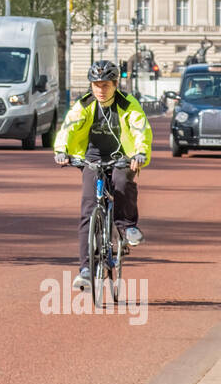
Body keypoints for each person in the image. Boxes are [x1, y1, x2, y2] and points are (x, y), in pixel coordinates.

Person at [53, 60, 153, 291]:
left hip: (122, 155)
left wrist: (139, 153)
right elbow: (68, 127)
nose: (100, 89)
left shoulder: (128, 104)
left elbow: (140, 130)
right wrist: (61, 151)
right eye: (96, 85)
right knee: (88, 208)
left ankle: (127, 226)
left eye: (105, 85)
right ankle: (86, 270)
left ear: (115, 84)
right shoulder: (84, 104)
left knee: (122, 181)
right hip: (92, 157)